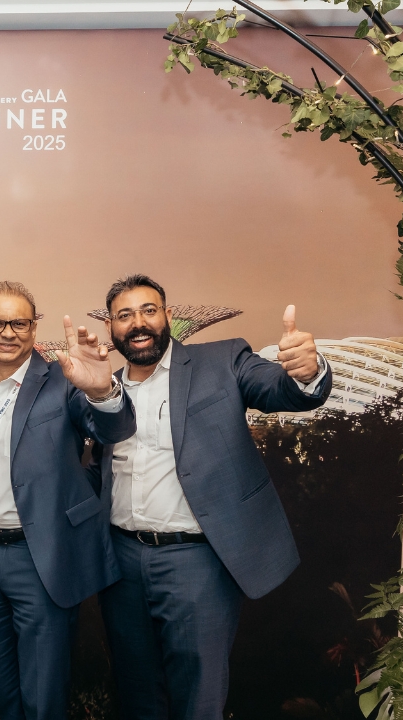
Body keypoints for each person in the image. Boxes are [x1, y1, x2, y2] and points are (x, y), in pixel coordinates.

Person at [94, 274, 330, 720]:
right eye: (124, 315)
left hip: (195, 562)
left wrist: (306, 372)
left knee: (198, 700)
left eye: (149, 310)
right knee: (136, 695)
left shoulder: (222, 360)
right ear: (111, 327)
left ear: (167, 316)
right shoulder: (103, 388)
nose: (138, 323)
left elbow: (277, 388)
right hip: (121, 563)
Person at [0, 281, 136, 720]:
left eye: (19, 323)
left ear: (34, 328)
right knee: (3, 690)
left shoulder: (64, 379)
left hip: (40, 556)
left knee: (43, 696)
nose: (7, 333)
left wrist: (102, 391)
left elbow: (112, 429)